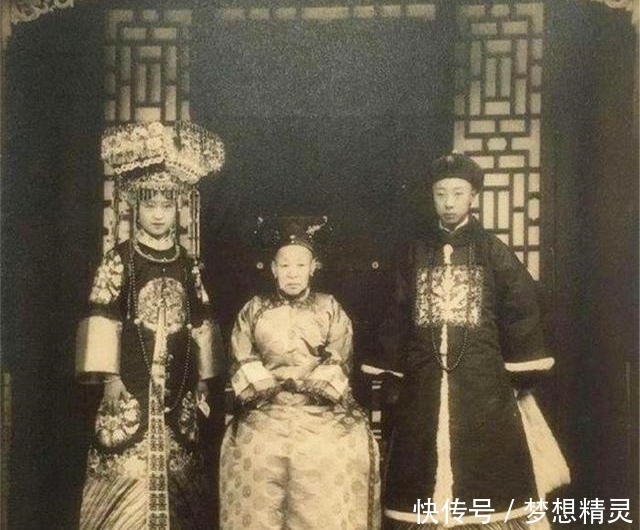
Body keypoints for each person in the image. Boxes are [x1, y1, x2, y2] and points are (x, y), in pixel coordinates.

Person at [363, 153, 569, 530]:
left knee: (486, 473)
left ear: (473, 196)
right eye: (441, 194)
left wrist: (517, 373)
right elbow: (396, 311)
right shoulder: (415, 251)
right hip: (424, 379)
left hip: (483, 381)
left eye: (458, 193)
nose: (449, 203)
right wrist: (392, 371)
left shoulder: (492, 250)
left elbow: (521, 309)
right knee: (421, 464)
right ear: (432, 197)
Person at [75, 120, 226, 530]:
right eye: (150, 205)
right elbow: (101, 313)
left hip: (178, 380)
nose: (158, 214)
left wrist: (204, 379)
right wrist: (109, 377)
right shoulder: (120, 259)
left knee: (182, 467)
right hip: (130, 379)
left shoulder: (187, 264)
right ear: (135, 208)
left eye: (166, 205)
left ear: (178, 208)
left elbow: (202, 320)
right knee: (127, 465)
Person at [219, 217, 381, 530]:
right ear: (273, 268)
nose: (292, 273)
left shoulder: (329, 306)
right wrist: (270, 390)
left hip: (321, 408)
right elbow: (242, 356)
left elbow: (339, 355)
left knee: (338, 448)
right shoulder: (254, 308)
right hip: (265, 408)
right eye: (285, 265)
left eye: (300, 265)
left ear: (313, 267)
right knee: (253, 450)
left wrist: (310, 389)